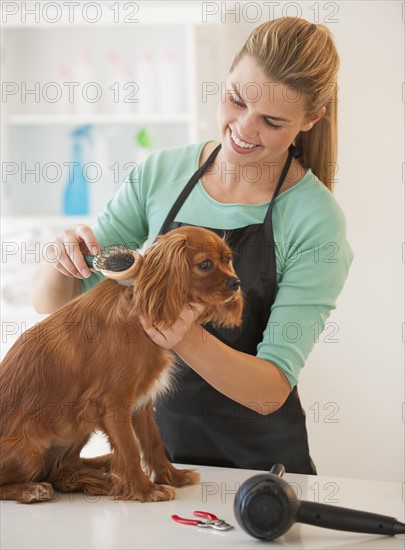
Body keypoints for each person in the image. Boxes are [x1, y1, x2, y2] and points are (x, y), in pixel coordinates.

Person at [31, 17, 353, 474]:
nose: (243, 128)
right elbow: (52, 305)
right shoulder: (160, 173)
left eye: (272, 121)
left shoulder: (315, 221)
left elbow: (270, 390)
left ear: (310, 119)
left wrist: (180, 332)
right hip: (158, 463)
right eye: (235, 100)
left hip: (259, 475)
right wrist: (60, 258)